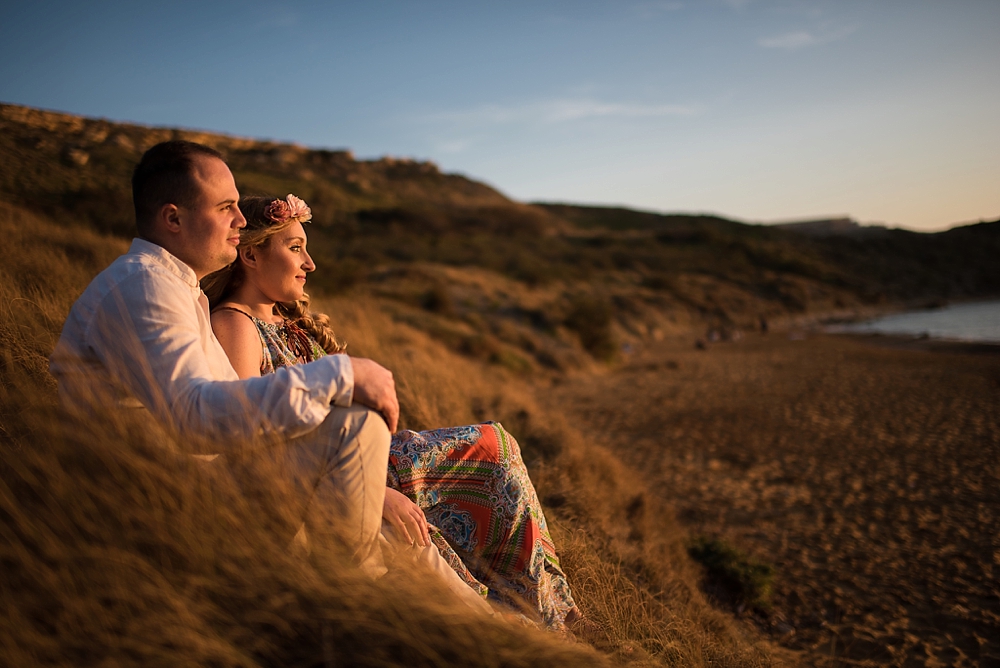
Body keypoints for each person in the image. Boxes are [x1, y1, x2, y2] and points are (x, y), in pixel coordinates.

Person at [49, 140, 491, 615]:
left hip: (207, 485)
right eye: (226, 208)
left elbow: (226, 410)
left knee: (380, 500)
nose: (241, 221)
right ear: (173, 219)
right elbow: (194, 417)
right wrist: (339, 374)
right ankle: (357, 602)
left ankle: (491, 629)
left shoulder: (178, 290)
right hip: (168, 504)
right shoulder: (142, 285)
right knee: (354, 428)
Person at [201, 193, 581, 631]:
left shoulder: (279, 319)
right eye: (294, 248)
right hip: (334, 466)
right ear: (250, 254)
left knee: (496, 447)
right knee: (492, 448)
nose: (310, 264)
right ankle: (540, 613)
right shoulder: (235, 324)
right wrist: (376, 492)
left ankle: (553, 605)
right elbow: (255, 436)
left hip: (359, 452)